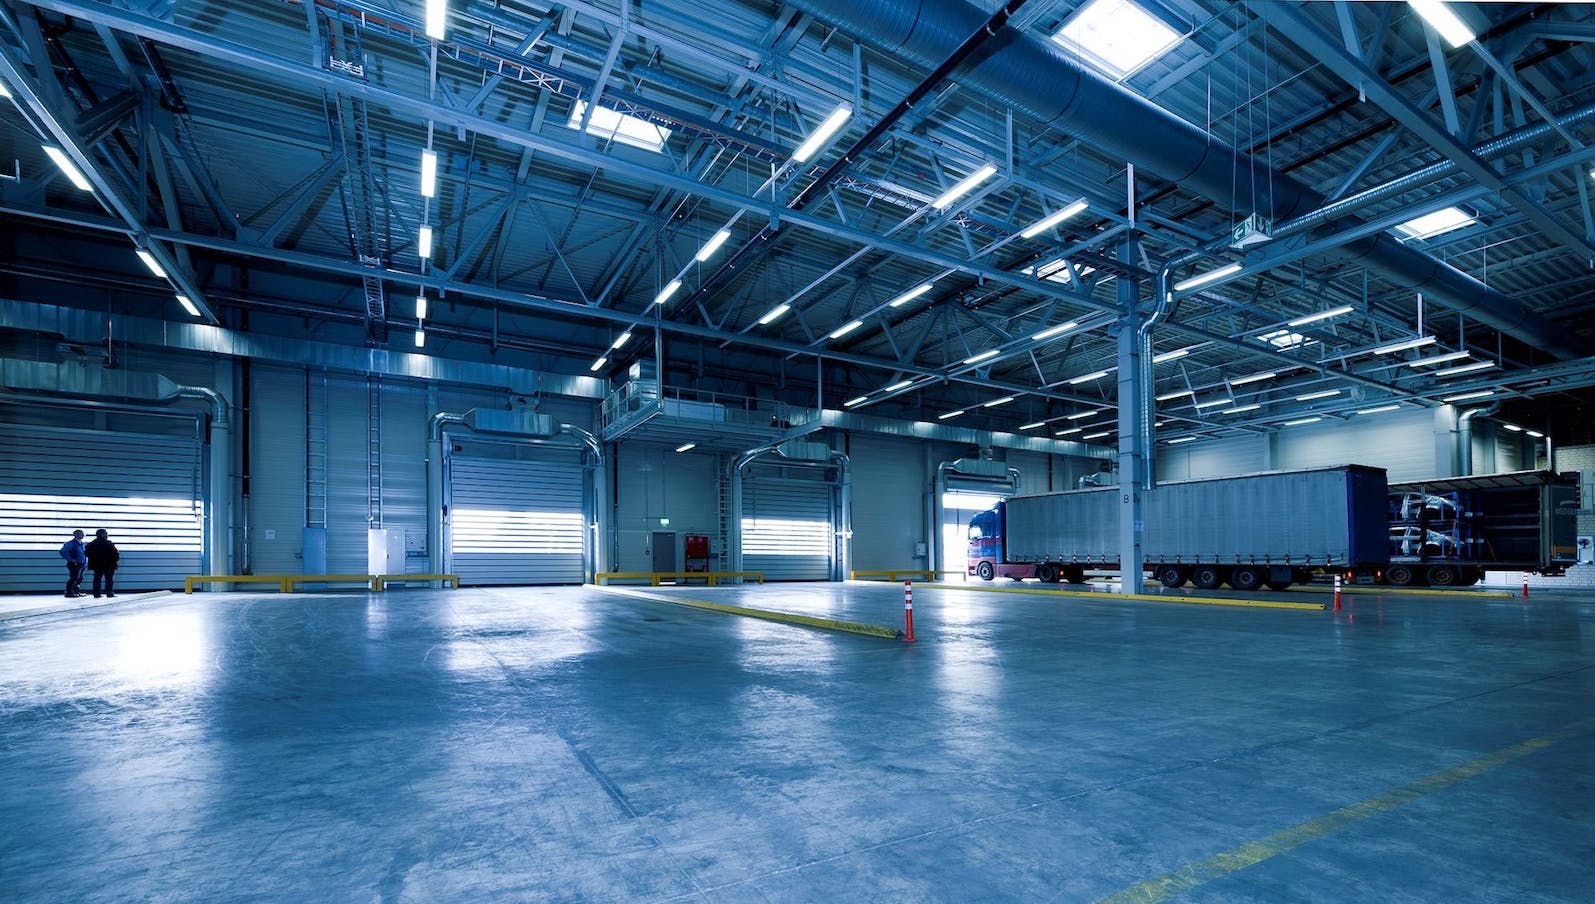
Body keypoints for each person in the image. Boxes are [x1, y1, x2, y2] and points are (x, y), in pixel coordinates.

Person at [85, 528, 120, 599]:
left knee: (97, 579)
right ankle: (109, 593)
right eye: (106, 533)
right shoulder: (108, 543)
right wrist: (116, 559)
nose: (107, 535)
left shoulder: (91, 544)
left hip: (97, 565)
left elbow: (87, 554)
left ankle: (96, 594)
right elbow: (115, 553)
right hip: (109, 564)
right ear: (102, 534)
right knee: (109, 580)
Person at [59, 530, 87, 598]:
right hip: (74, 564)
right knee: (74, 578)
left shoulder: (82, 544)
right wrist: (71, 559)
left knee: (79, 578)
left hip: (82, 563)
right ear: (76, 535)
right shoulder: (71, 544)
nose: (83, 535)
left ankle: (76, 591)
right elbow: (63, 552)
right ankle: (69, 592)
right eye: (81, 534)